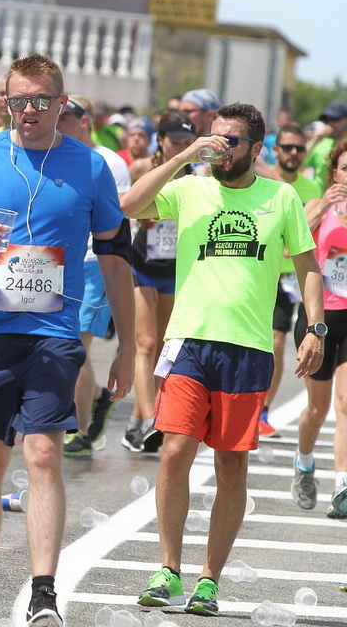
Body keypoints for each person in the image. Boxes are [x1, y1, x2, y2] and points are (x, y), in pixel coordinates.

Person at [0, 54, 134, 627]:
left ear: (61, 104)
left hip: (54, 331)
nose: (31, 110)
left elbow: (115, 258)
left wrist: (129, 347)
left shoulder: (88, 166)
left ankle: (44, 595)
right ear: (5, 103)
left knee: (43, 453)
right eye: (20, 101)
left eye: (42, 100)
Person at [122, 103, 322, 617]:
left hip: (248, 347)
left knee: (231, 465)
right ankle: (168, 569)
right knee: (173, 451)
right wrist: (185, 154)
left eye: (231, 141)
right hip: (189, 340)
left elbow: (307, 266)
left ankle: (209, 579)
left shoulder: (281, 198)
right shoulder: (190, 187)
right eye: (216, 138)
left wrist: (313, 328)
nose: (220, 148)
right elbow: (129, 204)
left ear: (257, 149)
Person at [55, 96, 131, 457]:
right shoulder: (53, 152)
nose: (60, 121)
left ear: (85, 121)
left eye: (66, 116)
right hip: (56, 260)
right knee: (59, 343)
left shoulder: (109, 162)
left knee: (77, 346)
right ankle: (97, 397)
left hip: (94, 261)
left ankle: (78, 429)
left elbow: (121, 217)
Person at [121, 114, 196, 453]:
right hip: (142, 265)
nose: (180, 148)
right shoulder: (141, 168)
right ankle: (153, 418)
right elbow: (122, 208)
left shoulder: (198, 178)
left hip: (174, 269)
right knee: (146, 343)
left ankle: (138, 421)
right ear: (161, 139)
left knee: (164, 349)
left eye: (186, 142)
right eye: (175, 141)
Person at [288, 136, 347, 515]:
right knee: (317, 407)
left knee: (346, 403)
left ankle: (343, 486)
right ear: (334, 172)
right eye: (346, 169)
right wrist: (324, 207)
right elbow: (289, 246)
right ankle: (304, 462)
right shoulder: (316, 206)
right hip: (319, 319)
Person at [260, 124, 320, 437]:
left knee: (277, 343)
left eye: (299, 148)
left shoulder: (312, 190)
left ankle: (263, 411)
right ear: (277, 149)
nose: (293, 153)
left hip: (293, 276)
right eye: (287, 147)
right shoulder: (261, 181)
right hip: (263, 272)